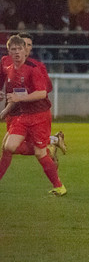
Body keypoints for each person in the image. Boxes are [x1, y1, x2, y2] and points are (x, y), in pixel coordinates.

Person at [0, 35, 66, 196]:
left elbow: (43, 92)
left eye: (20, 48)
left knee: (39, 152)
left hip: (39, 115)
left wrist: (18, 98)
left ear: (26, 50)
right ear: (9, 51)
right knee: (8, 147)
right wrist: (6, 107)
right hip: (22, 113)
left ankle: (59, 186)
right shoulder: (9, 67)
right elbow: (14, 93)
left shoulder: (35, 68)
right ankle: (51, 142)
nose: (17, 52)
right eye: (13, 49)